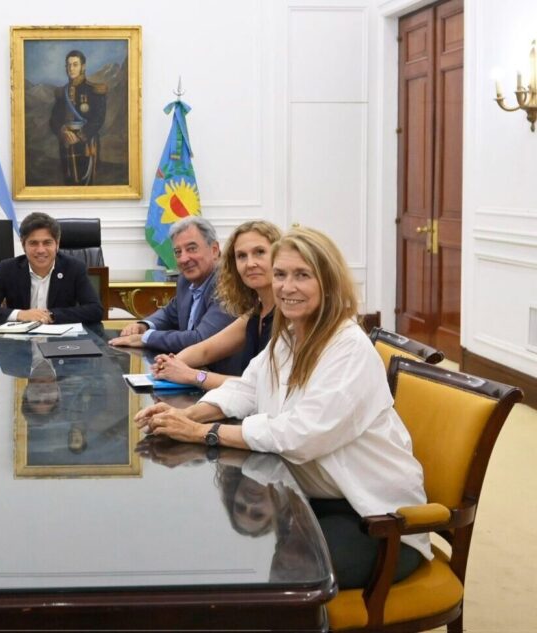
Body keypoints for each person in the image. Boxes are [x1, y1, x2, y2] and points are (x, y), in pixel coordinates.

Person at [134, 227, 429, 590]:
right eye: (281, 275)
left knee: (280, 581)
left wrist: (204, 433)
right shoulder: (290, 336)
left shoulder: (347, 347)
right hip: (309, 498)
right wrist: (185, 416)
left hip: (373, 517)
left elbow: (300, 436)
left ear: (329, 282)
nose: (287, 287)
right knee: (217, 548)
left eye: (302, 275)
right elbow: (247, 388)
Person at [151, 220, 282, 389]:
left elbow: (259, 388)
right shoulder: (256, 312)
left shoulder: (290, 314)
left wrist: (193, 375)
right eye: (241, 256)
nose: (250, 263)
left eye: (259, 252)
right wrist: (169, 363)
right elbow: (205, 350)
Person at [109, 217, 239, 365]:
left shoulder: (227, 285)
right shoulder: (185, 280)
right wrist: (144, 325)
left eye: (191, 249)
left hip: (218, 378)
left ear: (214, 250)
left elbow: (200, 339)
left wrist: (146, 338)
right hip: (189, 369)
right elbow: (170, 312)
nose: (183, 259)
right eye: (178, 252)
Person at [0, 212, 103, 325]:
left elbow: (95, 310)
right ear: (24, 245)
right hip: (19, 345)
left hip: (61, 343)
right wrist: (21, 315)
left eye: (47, 243)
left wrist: (50, 315)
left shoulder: (74, 268)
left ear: (57, 244)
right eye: (33, 243)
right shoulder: (9, 268)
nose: (40, 250)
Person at [48, 49, 106, 186]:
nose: (71, 68)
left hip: (87, 144)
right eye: (68, 65)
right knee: (68, 182)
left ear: (83, 67)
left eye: (75, 64)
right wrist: (62, 131)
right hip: (66, 144)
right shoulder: (62, 93)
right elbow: (53, 120)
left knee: (86, 185)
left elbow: (98, 119)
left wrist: (79, 136)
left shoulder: (94, 91)